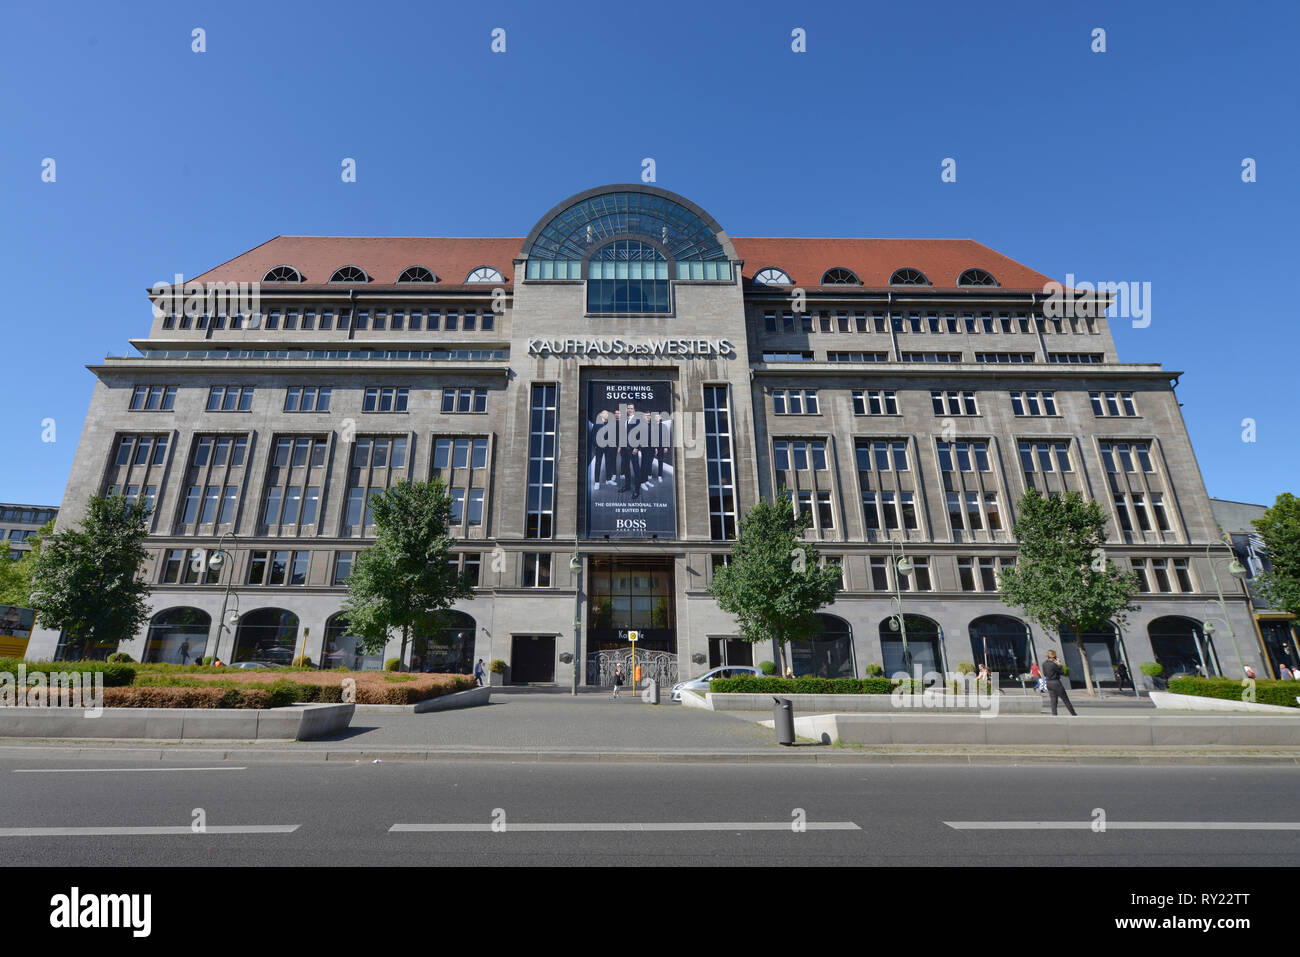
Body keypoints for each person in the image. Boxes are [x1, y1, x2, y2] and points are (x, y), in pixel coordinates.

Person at [1042, 649, 1076, 716]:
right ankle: (1073, 714)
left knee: (1053, 700)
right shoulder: (1053, 665)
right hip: (1056, 683)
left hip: (1048, 683)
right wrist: (1059, 664)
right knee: (1065, 699)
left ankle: (1054, 714)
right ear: (1053, 657)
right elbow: (1062, 672)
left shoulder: (1044, 664)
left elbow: (1045, 674)